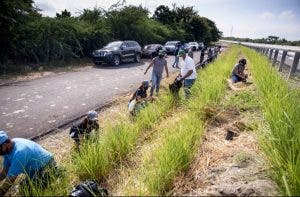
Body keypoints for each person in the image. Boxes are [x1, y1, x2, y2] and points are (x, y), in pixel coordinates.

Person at [0, 130, 57, 195]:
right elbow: (5, 171)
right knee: (23, 187)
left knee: (26, 191)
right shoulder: (9, 147)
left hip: (48, 168)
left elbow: (11, 179)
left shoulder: (20, 152)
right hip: (35, 170)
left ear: (4, 145)